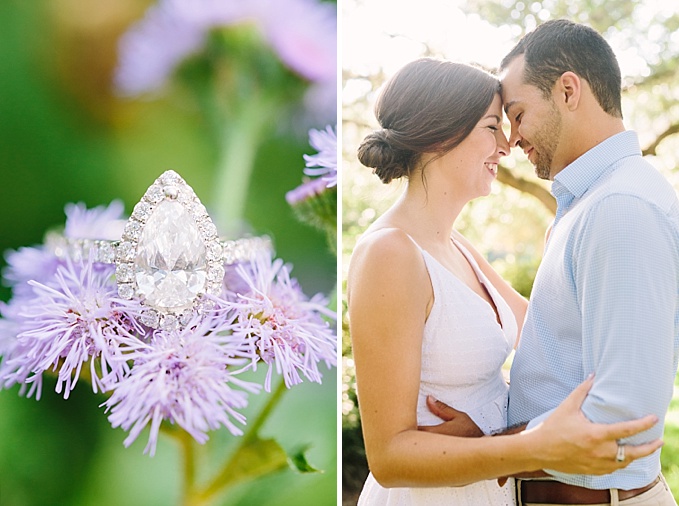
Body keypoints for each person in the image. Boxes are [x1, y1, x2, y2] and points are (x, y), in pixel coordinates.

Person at [346, 57, 663, 506]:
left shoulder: (457, 246)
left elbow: (550, 341)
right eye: (493, 126)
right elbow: (389, 458)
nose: (508, 144)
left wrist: (488, 426)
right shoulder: (389, 254)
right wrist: (527, 447)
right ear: (441, 134)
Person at [427, 20, 679, 506]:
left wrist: (490, 448)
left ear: (568, 90)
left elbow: (619, 422)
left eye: (517, 115)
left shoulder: (620, 209)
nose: (512, 140)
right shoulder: (593, 204)